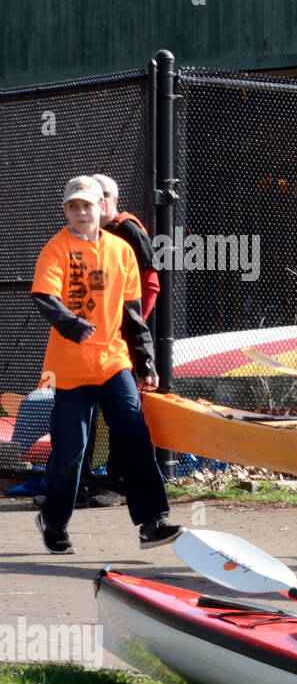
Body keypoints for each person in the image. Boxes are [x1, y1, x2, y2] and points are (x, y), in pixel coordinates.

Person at [30, 175, 183, 554]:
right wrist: (72, 323)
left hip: (114, 363)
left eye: (88, 205)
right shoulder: (56, 248)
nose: (82, 212)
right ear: (66, 210)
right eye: (74, 206)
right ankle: (53, 519)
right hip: (70, 370)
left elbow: (133, 315)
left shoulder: (121, 250)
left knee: (134, 433)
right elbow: (44, 295)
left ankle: (152, 523)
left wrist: (145, 362)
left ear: (102, 207)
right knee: (71, 450)